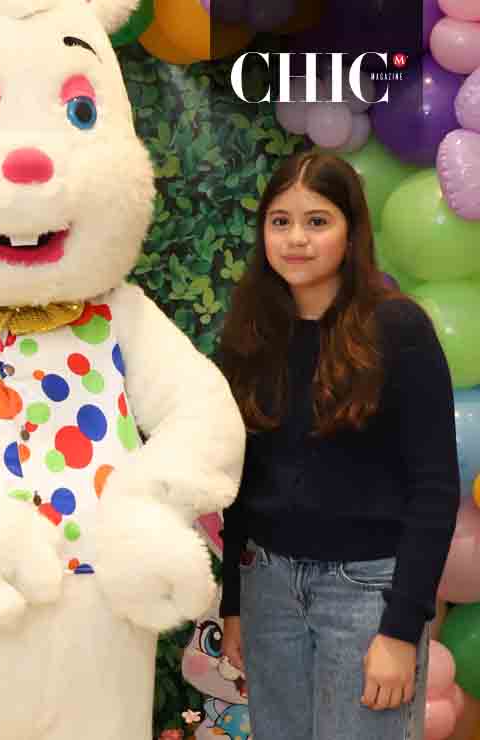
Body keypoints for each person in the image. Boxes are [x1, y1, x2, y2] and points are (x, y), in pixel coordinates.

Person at [217, 151, 459, 740]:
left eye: (317, 221)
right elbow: (240, 480)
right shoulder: (251, 332)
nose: (296, 239)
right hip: (267, 586)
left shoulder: (399, 329)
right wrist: (233, 602)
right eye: (280, 221)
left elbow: (435, 488)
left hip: (366, 593)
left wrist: (401, 631)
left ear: (351, 232)